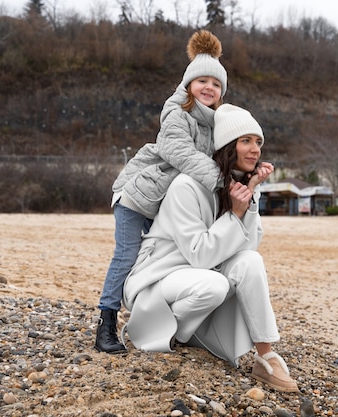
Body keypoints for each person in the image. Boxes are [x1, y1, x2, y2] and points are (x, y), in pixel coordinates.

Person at [121, 104, 299, 393]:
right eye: (246, 141)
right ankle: (161, 330)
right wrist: (236, 214)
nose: (255, 150)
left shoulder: (240, 187)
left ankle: (265, 356)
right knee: (214, 284)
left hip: (199, 276)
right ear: (228, 147)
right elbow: (199, 254)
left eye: (258, 142)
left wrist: (249, 198)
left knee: (251, 261)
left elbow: (248, 245)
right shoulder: (187, 186)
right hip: (161, 276)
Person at [94, 30, 228, 354]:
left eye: (216, 83)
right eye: (202, 81)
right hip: (140, 197)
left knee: (163, 259)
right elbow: (177, 151)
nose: (208, 87)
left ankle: (161, 318)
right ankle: (106, 324)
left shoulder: (217, 123)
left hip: (167, 206)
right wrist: (221, 182)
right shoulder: (176, 112)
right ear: (188, 85)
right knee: (127, 256)